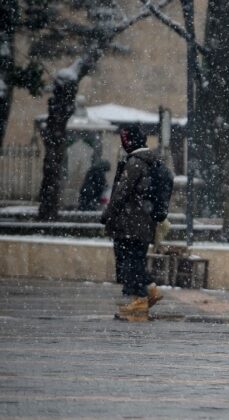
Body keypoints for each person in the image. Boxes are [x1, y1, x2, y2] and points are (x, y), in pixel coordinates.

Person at [101, 125, 162, 321]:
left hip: (131, 222)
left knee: (131, 263)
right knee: (136, 260)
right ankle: (148, 292)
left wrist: (108, 215)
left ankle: (140, 301)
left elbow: (121, 192)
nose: (123, 143)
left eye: (125, 140)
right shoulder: (152, 161)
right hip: (144, 221)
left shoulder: (135, 163)